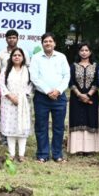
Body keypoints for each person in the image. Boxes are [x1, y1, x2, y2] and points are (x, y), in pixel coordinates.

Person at [29, 32, 71, 163]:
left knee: (58, 127)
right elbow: (34, 78)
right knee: (41, 126)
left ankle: (57, 154)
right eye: (45, 41)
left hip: (59, 97)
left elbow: (66, 76)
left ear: (55, 43)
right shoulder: (36, 58)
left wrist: (58, 91)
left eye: (50, 41)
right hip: (42, 98)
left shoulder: (61, 57)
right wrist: (48, 91)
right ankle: (42, 154)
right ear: (42, 44)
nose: (48, 43)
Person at [68, 42, 99, 155]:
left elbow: (98, 82)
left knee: (90, 120)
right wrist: (79, 95)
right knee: (77, 119)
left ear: (90, 52)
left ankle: (90, 149)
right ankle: (77, 149)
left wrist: (88, 95)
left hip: (92, 98)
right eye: (82, 50)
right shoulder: (73, 66)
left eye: (86, 50)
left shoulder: (96, 66)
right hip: (76, 98)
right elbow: (71, 81)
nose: (84, 52)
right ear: (79, 52)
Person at [0, 48, 33, 161]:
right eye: (15, 55)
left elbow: (30, 85)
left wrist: (22, 97)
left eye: (19, 55)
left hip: (23, 102)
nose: (17, 57)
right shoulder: (5, 70)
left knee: (22, 127)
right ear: (11, 57)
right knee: (11, 127)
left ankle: (22, 154)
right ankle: (12, 154)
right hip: (8, 102)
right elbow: (2, 85)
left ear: (23, 57)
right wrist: (11, 96)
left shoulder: (27, 70)